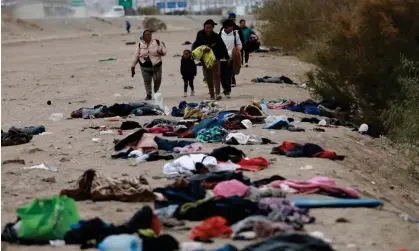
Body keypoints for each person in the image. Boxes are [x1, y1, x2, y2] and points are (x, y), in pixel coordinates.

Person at [192, 19, 229, 100]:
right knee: (209, 77)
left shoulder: (216, 36)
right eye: (206, 28)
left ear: (212, 28)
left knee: (217, 76)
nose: (208, 29)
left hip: (216, 58)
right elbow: (196, 46)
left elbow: (223, 47)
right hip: (205, 60)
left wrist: (226, 56)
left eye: (210, 28)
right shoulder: (200, 35)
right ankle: (212, 94)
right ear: (204, 28)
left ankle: (218, 93)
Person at [131, 30, 167, 100]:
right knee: (147, 81)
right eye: (146, 34)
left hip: (156, 65)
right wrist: (133, 66)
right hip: (144, 66)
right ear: (143, 36)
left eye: (149, 34)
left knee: (157, 80)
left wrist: (161, 51)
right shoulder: (140, 44)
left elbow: (164, 52)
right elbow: (136, 55)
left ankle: (156, 92)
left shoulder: (157, 42)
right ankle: (149, 94)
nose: (148, 36)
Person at [220, 12, 244, 87]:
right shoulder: (221, 31)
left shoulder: (237, 29)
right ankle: (225, 83)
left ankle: (232, 81)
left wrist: (239, 51)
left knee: (233, 68)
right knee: (224, 70)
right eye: (231, 19)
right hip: (223, 55)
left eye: (234, 19)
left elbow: (241, 41)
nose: (233, 20)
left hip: (235, 53)